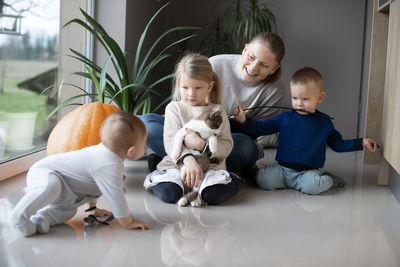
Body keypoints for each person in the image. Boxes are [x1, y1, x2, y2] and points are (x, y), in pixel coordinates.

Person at [141, 32, 287, 178]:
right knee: (146, 124)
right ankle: (196, 163)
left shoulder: (276, 89)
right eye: (251, 57)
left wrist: (243, 121)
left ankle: (173, 161)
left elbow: (259, 131)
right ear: (245, 49)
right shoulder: (217, 64)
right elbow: (183, 106)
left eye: (264, 65)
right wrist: (190, 140)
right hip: (188, 127)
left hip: (223, 138)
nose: (254, 67)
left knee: (247, 148)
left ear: (274, 68)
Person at [232, 67, 379, 195]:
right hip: (283, 169)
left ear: (320, 97)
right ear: (291, 93)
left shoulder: (324, 123)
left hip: (307, 173)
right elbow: (261, 128)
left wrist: (362, 143)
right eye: (295, 98)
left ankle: (328, 179)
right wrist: (244, 120)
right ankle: (259, 174)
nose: (299, 104)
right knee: (264, 181)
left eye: (306, 99)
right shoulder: (285, 117)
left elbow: (338, 145)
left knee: (312, 187)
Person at [10, 112, 152, 237]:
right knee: (52, 186)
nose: (145, 146)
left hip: (67, 191)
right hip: (45, 172)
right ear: (131, 151)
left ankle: (41, 220)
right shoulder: (108, 164)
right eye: (144, 143)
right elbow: (116, 196)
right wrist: (128, 222)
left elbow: (94, 184)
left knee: (67, 212)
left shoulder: (110, 160)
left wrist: (92, 208)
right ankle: (19, 217)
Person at [143, 53, 243, 205]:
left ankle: (235, 177)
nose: (191, 94)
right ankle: (160, 172)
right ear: (178, 85)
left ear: (209, 86)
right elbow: (171, 142)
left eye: (198, 88)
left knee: (212, 196)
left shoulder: (218, 111)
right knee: (170, 194)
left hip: (211, 167)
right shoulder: (174, 108)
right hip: (178, 165)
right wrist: (188, 160)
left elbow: (226, 145)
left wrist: (202, 146)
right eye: (185, 87)